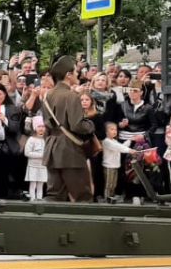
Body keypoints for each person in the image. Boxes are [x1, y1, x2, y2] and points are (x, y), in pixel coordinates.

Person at [42, 55, 95, 202]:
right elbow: (77, 125)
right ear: (68, 74)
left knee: (54, 195)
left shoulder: (47, 95)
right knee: (83, 196)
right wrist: (90, 125)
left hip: (52, 148)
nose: (79, 74)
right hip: (70, 151)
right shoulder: (71, 96)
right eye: (76, 72)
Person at [101, 122, 133, 202]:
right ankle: (106, 198)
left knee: (114, 184)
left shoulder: (114, 141)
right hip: (109, 167)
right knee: (109, 184)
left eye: (115, 129)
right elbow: (118, 147)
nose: (114, 131)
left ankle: (111, 197)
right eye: (111, 129)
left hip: (115, 166)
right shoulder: (106, 141)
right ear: (106, 131)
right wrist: (130, 150)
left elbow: (121, 147)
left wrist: (130, 140)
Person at [24, 119, 48, 201]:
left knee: (41, 184)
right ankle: (32, 199)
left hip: (43, 166)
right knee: (33, 183)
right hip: (33, 165)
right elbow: (27, 152)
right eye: (39, 126)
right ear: (35, 128)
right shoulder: (31, 139)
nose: (41, 128)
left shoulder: (47, 139)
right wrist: (41, 155)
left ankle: (39, 199)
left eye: (43, 126)